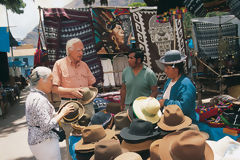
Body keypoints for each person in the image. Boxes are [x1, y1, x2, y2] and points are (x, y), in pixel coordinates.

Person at [52, 38, 96, 160]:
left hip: (87, 105)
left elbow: (91, 84)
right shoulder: (59, 64)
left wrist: (89, 92)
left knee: (90, 136)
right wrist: (71, 91)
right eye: (79, 50)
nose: (82, 53)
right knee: (70, 138)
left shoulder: (84, 65)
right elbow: (54, 89)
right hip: (69, 107)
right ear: (69, 50)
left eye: (82, 50)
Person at [25, 66, 74, 160]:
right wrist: (62, 114)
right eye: (50, 80)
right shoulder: (39, 99)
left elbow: (40, 119)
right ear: (40, 81)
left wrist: (58, 113)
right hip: (44, 142)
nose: (52, 83)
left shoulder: (33, 95)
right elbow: (46, 126)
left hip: (39, 141)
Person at [156, 50, 199, 122]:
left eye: (167, 68)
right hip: (170, 120)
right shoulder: (169, 81)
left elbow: (185, 107)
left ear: (175, 69)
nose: (165, 71)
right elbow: (166, 96)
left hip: (184, 122)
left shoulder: (186, 84)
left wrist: (165, 102)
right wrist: (158, 101)